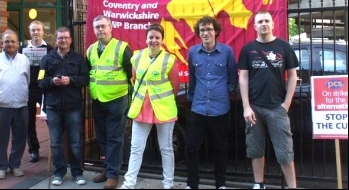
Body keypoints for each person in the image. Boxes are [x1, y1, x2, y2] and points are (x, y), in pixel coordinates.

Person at [238, 10, 298, 189]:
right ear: (255, 26)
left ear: (272, 24)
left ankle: (292, 186)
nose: (263, 24)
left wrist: (286, 104)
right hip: (254, 107)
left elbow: (293, 76)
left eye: (267, 21)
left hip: (277, 108)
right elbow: (243, 78)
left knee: (285, 152)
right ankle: (259, 184)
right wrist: (246, 107)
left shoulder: (284, 47)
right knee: (255, 150)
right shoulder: (248, 49)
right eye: (260, 22)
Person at [120, 24, 180, 189]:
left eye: (157, 37)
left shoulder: (169, 59)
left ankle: (168, 183)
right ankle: (129, 183)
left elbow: (175, 86)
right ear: (146, 39)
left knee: (166, 148)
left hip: (164, 109)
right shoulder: (137, 57)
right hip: (141, 108)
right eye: (151, 37)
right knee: (136, 148)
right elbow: (134, 78)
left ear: (162, 40)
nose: (153, 40)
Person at [185, 16, 238, 189]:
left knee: (220, 148)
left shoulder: (227, 51)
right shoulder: (192, 52)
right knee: (192, 148)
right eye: (202, 30)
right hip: (198, 107)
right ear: (198, 34)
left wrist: (223, 93)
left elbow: (232, 78)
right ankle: (192, 184)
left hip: (220, 108)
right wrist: (192, 98)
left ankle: (220, 184)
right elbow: (192, 79)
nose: (206, 33)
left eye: (209, 29)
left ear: (215, 31)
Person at [38, 27, 89, 186]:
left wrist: (71, 80)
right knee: (55, 143)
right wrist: (52, 81)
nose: (63, 40)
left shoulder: (79, 58)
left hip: (73, 106)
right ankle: (59, 173)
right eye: (60, 38)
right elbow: (40, 82)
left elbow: (86, 79)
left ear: (71, 40)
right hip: (53, 107)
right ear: (55, 39)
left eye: (66, 38)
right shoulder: (46, 59)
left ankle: (77, 173)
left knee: (75, 142)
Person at [86, 15, 133, 189]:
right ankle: (107, 169)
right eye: (97, 27)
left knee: (115, 137)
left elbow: (131, 74)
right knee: (103, 136)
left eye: (103, 26)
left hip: (116, 99)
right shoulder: (91, 50)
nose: (100, 29)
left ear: (111, 27)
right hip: (98, 99)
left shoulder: (122, 48)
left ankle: (113, 174)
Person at [18, 20, 54, 163]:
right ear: (30, 31)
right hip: (27, 90)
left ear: (43, 31)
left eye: (38, 30)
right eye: (33, 30)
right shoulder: (22, 50)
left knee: (50, 120)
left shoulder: (50, 50)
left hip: (45, 90)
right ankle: (33, 150)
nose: (36, 32)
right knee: (28, 122)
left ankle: (55, 149)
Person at [0, 29, 30, 179]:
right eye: (7, 41)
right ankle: (2, 166)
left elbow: (27, 80)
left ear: (17, 43)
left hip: (21, 105)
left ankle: (15, 165)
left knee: (20, 137)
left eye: (12, 41)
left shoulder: (24, 59)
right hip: (2, 106)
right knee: (1, 137)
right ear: (2, 43)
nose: (10, 44)